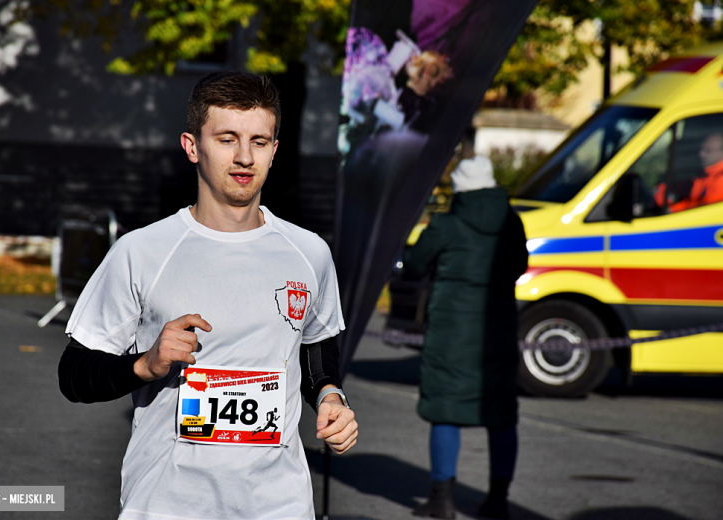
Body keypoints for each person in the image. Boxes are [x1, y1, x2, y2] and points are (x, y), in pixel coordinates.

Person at [57, 71, 357, 520]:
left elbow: (315, 344)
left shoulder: (309, 252)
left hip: (278, 506)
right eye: (227, 138)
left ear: (274, 151)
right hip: (166, 504)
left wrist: (331, 396)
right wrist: (145, 364)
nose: (243, 156)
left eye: (259, 141)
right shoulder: (141, 252)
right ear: (192, 146)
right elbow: (73, 374)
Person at [404, 136, 528, 520]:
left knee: (446, 409)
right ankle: (498, 500)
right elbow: (520, 265)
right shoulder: (512, 221)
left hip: (451, 332)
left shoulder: (449, 224)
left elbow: (414, 262)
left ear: (460, 189)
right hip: (499, 327)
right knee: (501, 413)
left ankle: (442, 500)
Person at [655, 132, 723, 212]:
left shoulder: (720, 179)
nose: (701, 154)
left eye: (708, 151)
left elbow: (704, 211)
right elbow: (692, 205)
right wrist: (670, 208)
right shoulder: (704, 175)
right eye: (701, 149)